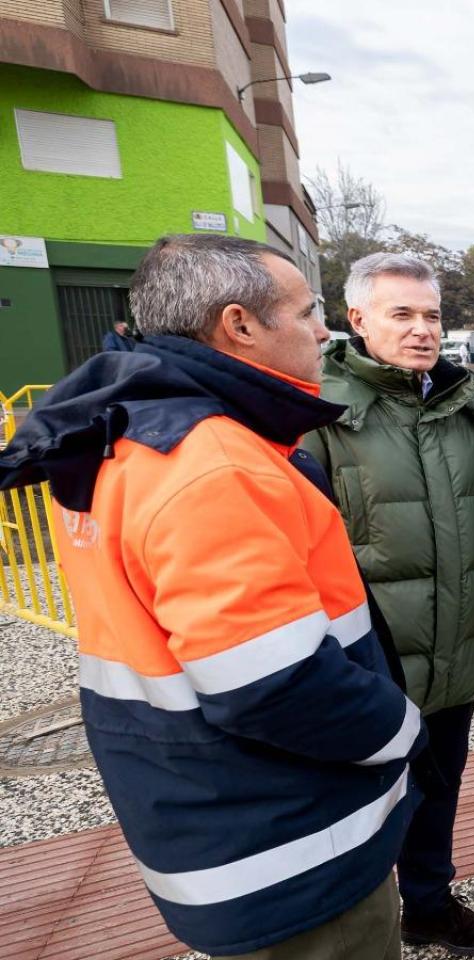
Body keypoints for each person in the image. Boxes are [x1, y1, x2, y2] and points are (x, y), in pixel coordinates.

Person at [0, 235, 424, 958]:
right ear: (239, 325)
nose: (324, 331)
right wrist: (400, 729)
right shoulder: (212, 462)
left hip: (213, 811)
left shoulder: (124, 429)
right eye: (307, 311)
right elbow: (271, 684)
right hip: (287, 847)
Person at [299, 253, 474, 956]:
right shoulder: (321, 411)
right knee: (361, 803)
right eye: (403, 314)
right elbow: (305, 545)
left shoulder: (471, 408)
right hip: (371, 659)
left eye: (432, 315)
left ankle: (428, 902)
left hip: (458, 643)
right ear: (358, 319)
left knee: (440, 786)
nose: (423, 329)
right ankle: (357, 926)